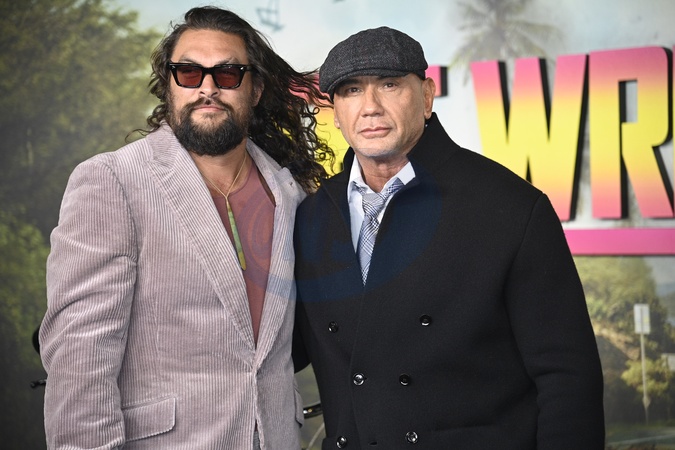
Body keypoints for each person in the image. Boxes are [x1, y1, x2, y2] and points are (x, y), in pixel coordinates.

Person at [293, 26, 605, 449]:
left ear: (426, 96)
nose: (370, 107)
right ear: (335, 112)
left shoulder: (511, 207)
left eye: (389, 85)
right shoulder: (311, 215)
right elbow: (283, 350)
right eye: (351, 90)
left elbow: (567, 375)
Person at [39, 6, 331, 449]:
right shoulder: (113, 181)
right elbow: (80, 360)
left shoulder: (290, 192)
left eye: (228, 74)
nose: (207, 89)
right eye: (189, 73)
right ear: (169, 84)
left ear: (255, 90)